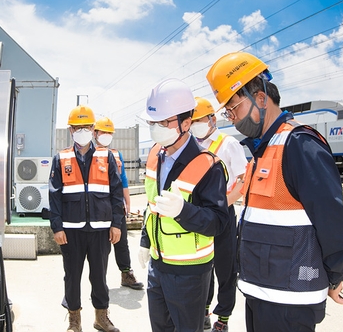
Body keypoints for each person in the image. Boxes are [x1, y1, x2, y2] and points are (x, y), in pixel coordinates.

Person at [206, 51, 343, 332]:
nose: (233, 119)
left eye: (234, 109)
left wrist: (335, 275)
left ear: (260, 99)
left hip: (290, 299)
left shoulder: (299, 144)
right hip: (263, 290)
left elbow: (332, 216)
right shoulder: (263, 148)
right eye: (227, 112)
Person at [138, 78, 230, 332]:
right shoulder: (155, 155)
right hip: (158, 265)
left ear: (186, 123)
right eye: (152, 122)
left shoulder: (208, 165)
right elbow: (151, 206)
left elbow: (219, 222)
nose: (156, 128)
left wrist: (183, 211)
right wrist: (146, 240)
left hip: (190, 272)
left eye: (163, 122)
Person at [49, 105, 123, 332]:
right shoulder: (61, 158)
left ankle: (101, 317)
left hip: (101, 229)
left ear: (93, 129)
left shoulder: (106, 156)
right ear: (71, 130)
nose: (82, 131)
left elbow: (116, 192)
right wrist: (57, 227)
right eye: (77, 127)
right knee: (72, 276)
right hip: (71, 231)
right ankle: (74, 321)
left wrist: (117, 224)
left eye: (86, 127)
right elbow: (54, 195)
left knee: (99, 276)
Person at [190, 96, 247, 332]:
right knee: (203, 264)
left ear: (212, 119)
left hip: (223, 212)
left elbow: (243, 180)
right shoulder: (191, 145)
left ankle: (222, 318)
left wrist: (224, 206)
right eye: (191, 121)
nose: (195, 125)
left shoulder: (228, 143)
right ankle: (203, 309)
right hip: (199, 214)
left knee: (225, 267)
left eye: (199, 120)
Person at [94, 116, 144, 290]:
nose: (106, 135)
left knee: (121, 241)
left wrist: (127, 203)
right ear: (95, 133)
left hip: (115, 205)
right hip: (97, 207)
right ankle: (100, 281)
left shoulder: (116, 155)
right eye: (103, 132)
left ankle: (126, 274)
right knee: (101, 246)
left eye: (109, 132)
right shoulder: (88, 154)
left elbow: (123, 180)